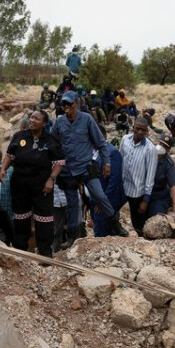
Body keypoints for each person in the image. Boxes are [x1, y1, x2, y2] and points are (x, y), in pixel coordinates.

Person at [51, 90, 128, 239]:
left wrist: (106, 163)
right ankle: (73, 237)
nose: (66, 106)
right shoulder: (59, 121)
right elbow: (52, 142)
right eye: (64, 103)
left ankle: (115, 224)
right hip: (68, 169)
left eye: (69, 103)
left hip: (86, 166)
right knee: (73, 204)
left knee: (99, 195)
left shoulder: (86, 119)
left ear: (77, 104)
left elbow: (101, 143)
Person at [0, 110, 64, 257]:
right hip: (20, 184)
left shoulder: (51, 139)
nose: (32, 120)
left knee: (44, 219)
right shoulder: (19, 136)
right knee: (21, 218)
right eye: (31, 117)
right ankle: (21, 251)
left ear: (44, 123)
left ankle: (45, 254)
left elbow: (59, 163)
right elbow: (10, 156)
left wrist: (51, 179)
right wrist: (3, 168)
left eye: (37, 118)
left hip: (42, 186)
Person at [119, 116, 158, 235]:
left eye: (143, 130)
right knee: (111, 211)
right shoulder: (125, 139)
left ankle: (143, 241)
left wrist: (145, 200)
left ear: (147, 131)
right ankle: (117, 232)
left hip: (137, 192)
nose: (140, 132)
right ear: (133, 128)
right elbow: (119, 160)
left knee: (137, 222)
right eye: (138, 129)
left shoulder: (150, 149)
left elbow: (150, 175)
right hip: (122, 186)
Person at [91, 141, 127, 238]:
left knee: (101, 231)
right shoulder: (92, 151)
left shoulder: (112, 152)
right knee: (99, 227)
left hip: (107, 199)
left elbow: (114, 180)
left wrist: (103, 201)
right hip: (95, 198)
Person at [148, 134, 175, 219]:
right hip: (144, 192)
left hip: (159, 195)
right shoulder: (148, 153)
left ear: (168, 150)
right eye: (161, 144)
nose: (161, 147)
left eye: (165, 146)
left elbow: (173, 185)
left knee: (156, 217)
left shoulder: (169, 163)